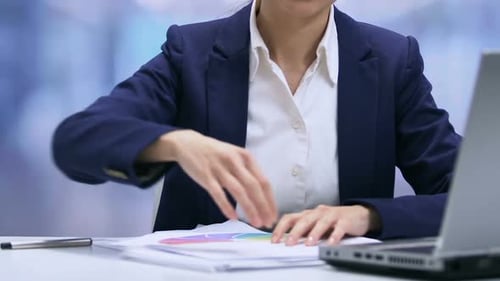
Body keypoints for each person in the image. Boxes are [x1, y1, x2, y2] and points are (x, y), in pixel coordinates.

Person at [52, 0, 461, 246]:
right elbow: (76, 141)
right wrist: (175, 143)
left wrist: (370, 217)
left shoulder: (391, 61)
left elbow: (475, 199)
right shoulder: (192, 52)